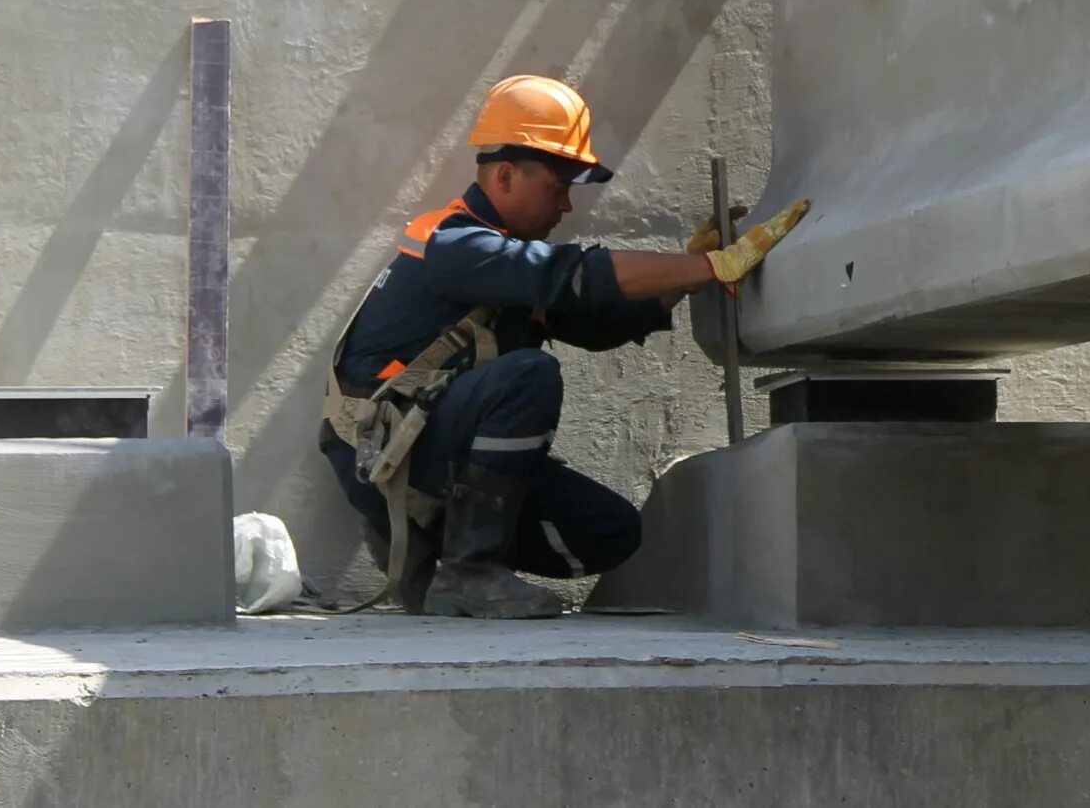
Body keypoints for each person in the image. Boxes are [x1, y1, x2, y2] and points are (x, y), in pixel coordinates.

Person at [317, 73, 809, 619]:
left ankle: (437, 563)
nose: (566, 207)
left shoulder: (501, 258)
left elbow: (594, 323)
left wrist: (681, 279)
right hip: (387, 462)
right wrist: (707, 268)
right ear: (505, 174)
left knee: (611, 531)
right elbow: (571, 275)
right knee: (528, 375)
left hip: (422, 449)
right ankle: (469, 572)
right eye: (557, 188)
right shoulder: (454, 244)